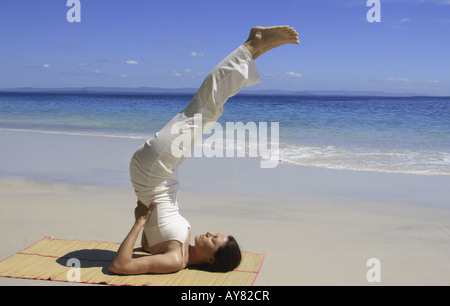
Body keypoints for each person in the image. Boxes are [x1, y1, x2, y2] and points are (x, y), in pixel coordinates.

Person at [109, 26, 300, 275]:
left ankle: (254, 44)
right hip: (162, 172)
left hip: (154, 171)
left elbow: (120, 266)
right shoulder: (179, 249)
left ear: (210, 259)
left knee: (204, 108)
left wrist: (138, 222)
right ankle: (255, 50)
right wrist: (145, 222)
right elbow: (149, 246)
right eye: (215, 235)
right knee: (208, 112)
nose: (209, 232)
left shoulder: (176, 260)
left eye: (213, 240)